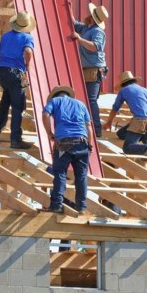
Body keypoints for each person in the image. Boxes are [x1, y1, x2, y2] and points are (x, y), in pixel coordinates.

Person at [42, 86, 91, 214]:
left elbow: (45, 115)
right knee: (81, 176)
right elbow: (89, 127)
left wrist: (49, 133)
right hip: (82, 142)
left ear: (55, 95)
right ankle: (81, 207)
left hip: (64, 143)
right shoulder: (81, 104)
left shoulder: (54, 102)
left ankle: (57, 205)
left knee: (60, 174)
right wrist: (89, 145)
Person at [0, 12, 36, 151]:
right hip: (15, 72)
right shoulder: (27, 37)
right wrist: (27, 66)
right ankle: (15, 139)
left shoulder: (6, 36)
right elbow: (29, 51)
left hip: (1, 71)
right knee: (18, 106)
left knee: (6, 97)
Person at [72, 2, 108, 136]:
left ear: (92, 17)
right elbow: (73, 23)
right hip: (89, 68)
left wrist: (80, 40)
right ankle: (92, 128)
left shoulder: (97, 31)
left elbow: (95, 47)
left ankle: (97, 129)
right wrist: (69, 8)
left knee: (91, 100)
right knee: (87, 99)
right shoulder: (87, 28)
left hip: (94, 69)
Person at [106, 71, 147, 156]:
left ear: (123, 84)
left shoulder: (123, 90)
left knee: (128, 148)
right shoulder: (146, 90)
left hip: (140, 121)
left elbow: (115, 108)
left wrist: (109, 122)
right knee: (121, 134)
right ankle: (146, 136)